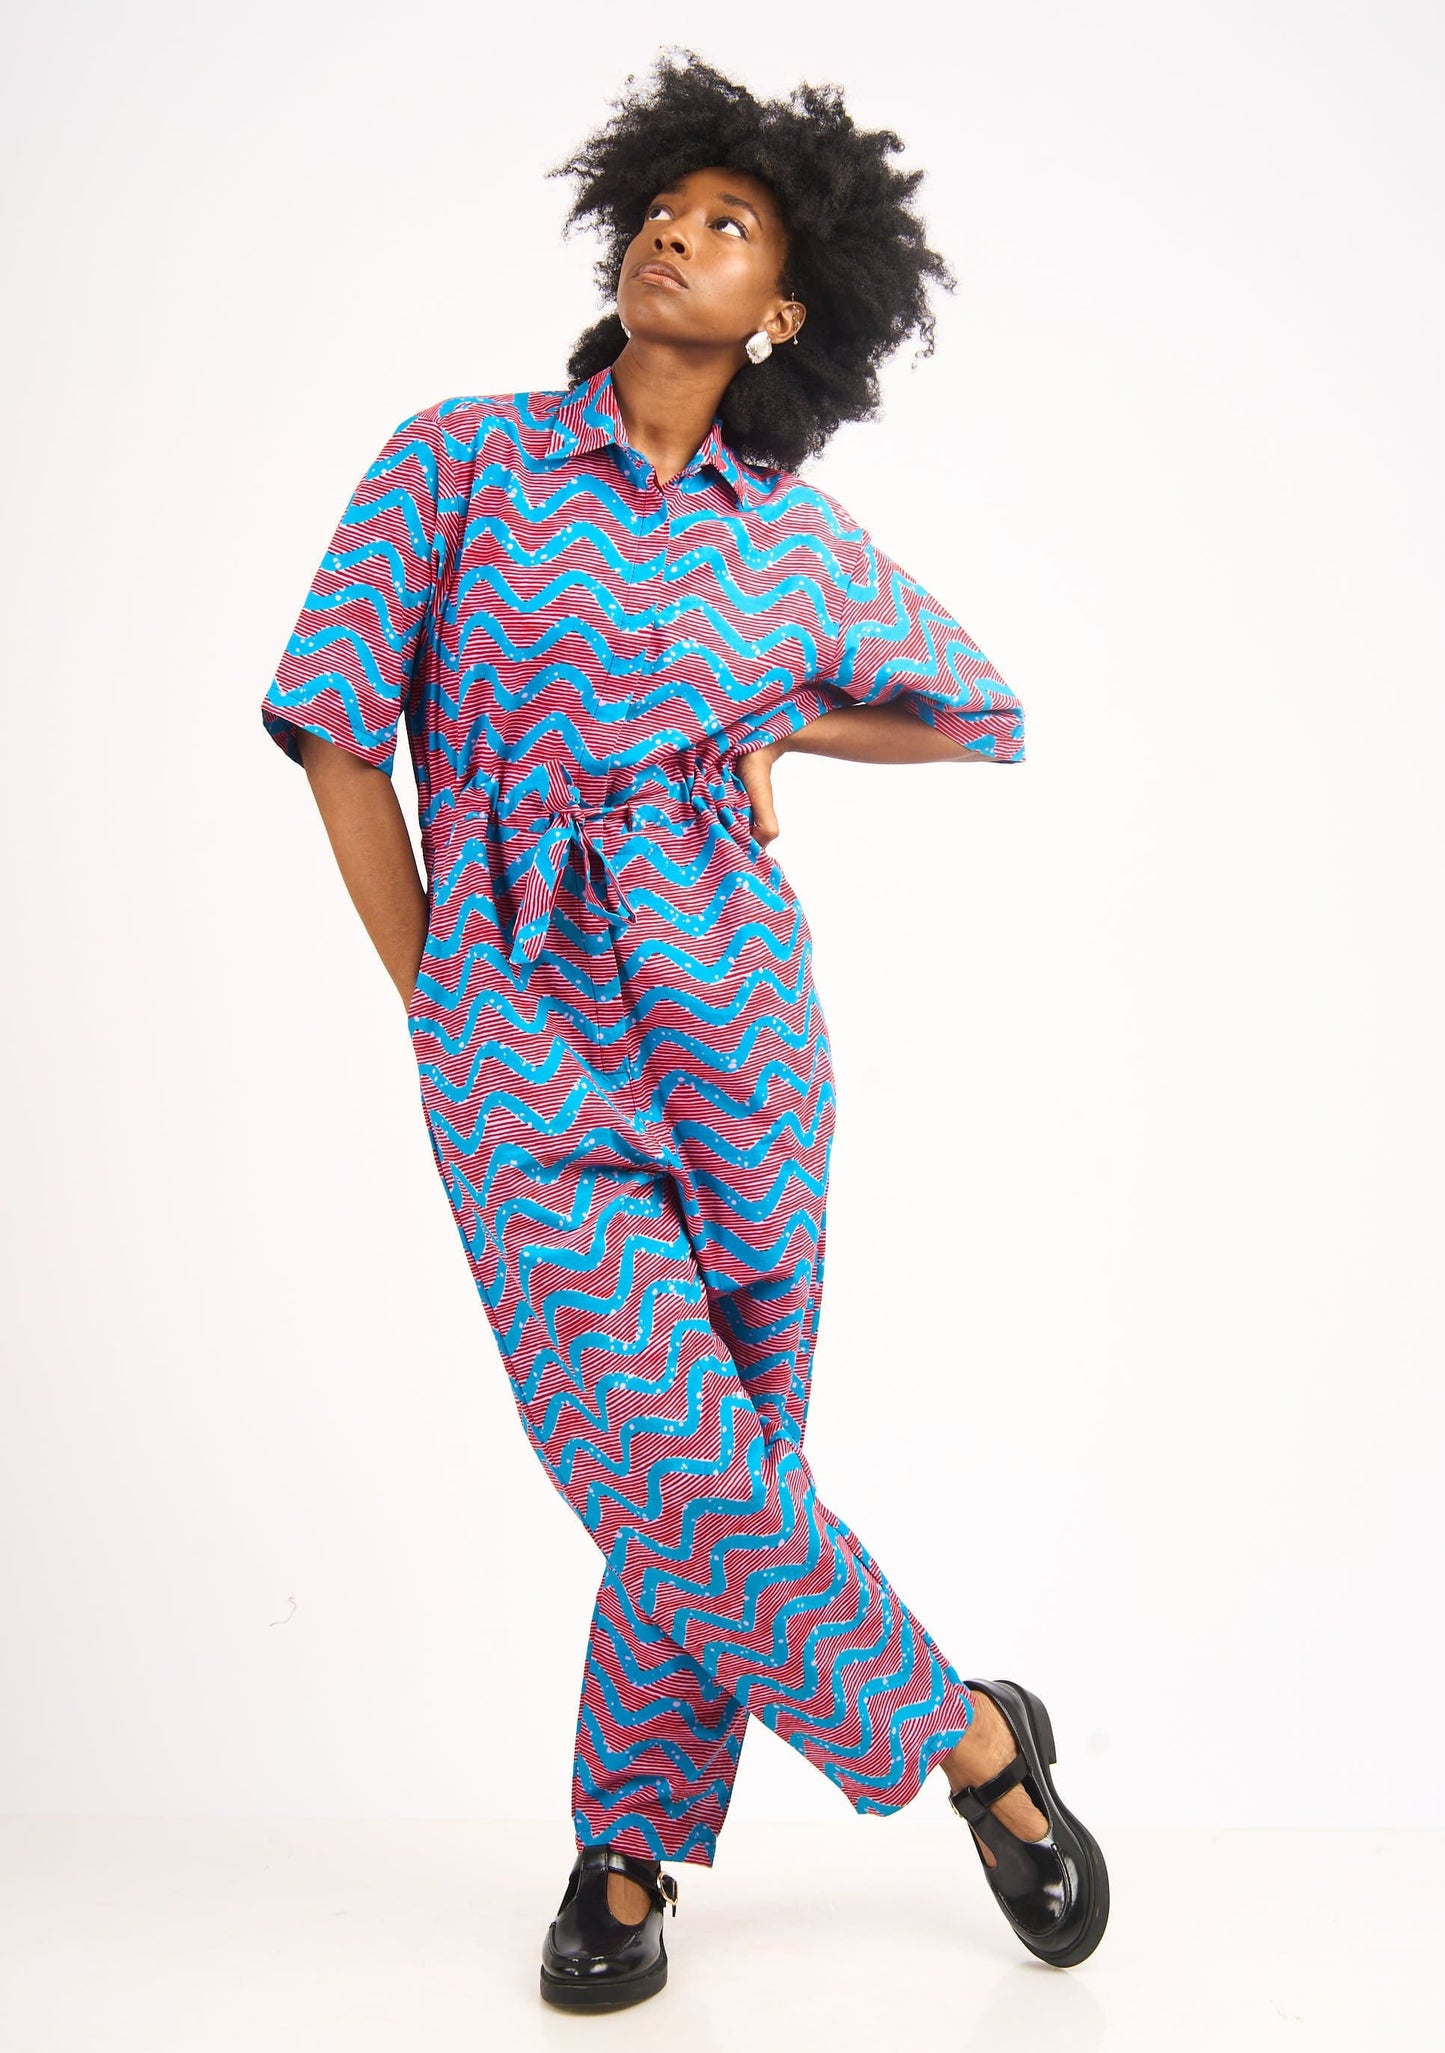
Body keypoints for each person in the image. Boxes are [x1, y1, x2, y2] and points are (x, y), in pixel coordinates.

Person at [259, 47, 1109, 2010]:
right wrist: (437, 992)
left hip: (739, 1023)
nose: (675, 233)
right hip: (516, 1025)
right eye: (663, 207)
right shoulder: (458, 461)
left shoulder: (786, 542)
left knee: (730, 1452)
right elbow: (332, 727)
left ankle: (627, 1849)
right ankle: (975, 1740)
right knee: (659, 1448)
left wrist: (779, 721)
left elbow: (978, 707)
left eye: (726, 225)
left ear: (783, 311)